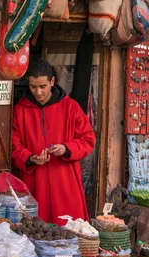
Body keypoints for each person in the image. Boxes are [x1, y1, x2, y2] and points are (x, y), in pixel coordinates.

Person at [11, 59, 96, 225]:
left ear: (52, 81)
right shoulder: (20, 110)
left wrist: (66, 148)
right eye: (33, 87)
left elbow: (88, 139)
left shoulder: (71, 107)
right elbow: (14, 146)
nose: (38, 92)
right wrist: (30, 158)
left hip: (66, 182)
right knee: (35, 231)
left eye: (43, 86)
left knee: (69, 231)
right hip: (34, 182)